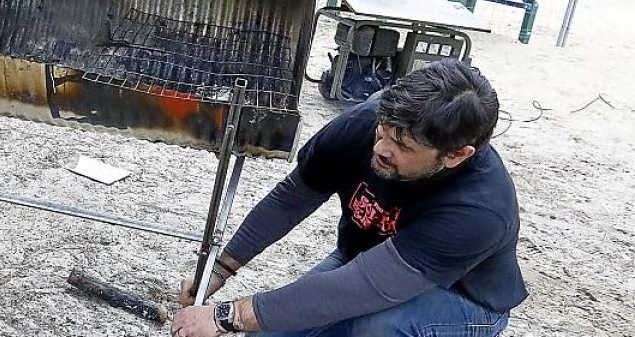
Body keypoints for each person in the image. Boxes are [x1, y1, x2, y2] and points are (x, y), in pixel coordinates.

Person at [171, 60, 526, 336]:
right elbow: (291, 199)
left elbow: (365, 286)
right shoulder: (366, 122)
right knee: (272, 331)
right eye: (383, 131)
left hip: (463, 299)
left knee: (380, 328)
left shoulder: (479, 210)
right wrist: (219, 270)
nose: (380, 148)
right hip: (362, 261)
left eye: (402, 146)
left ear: (455, 155)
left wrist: (226, 317)